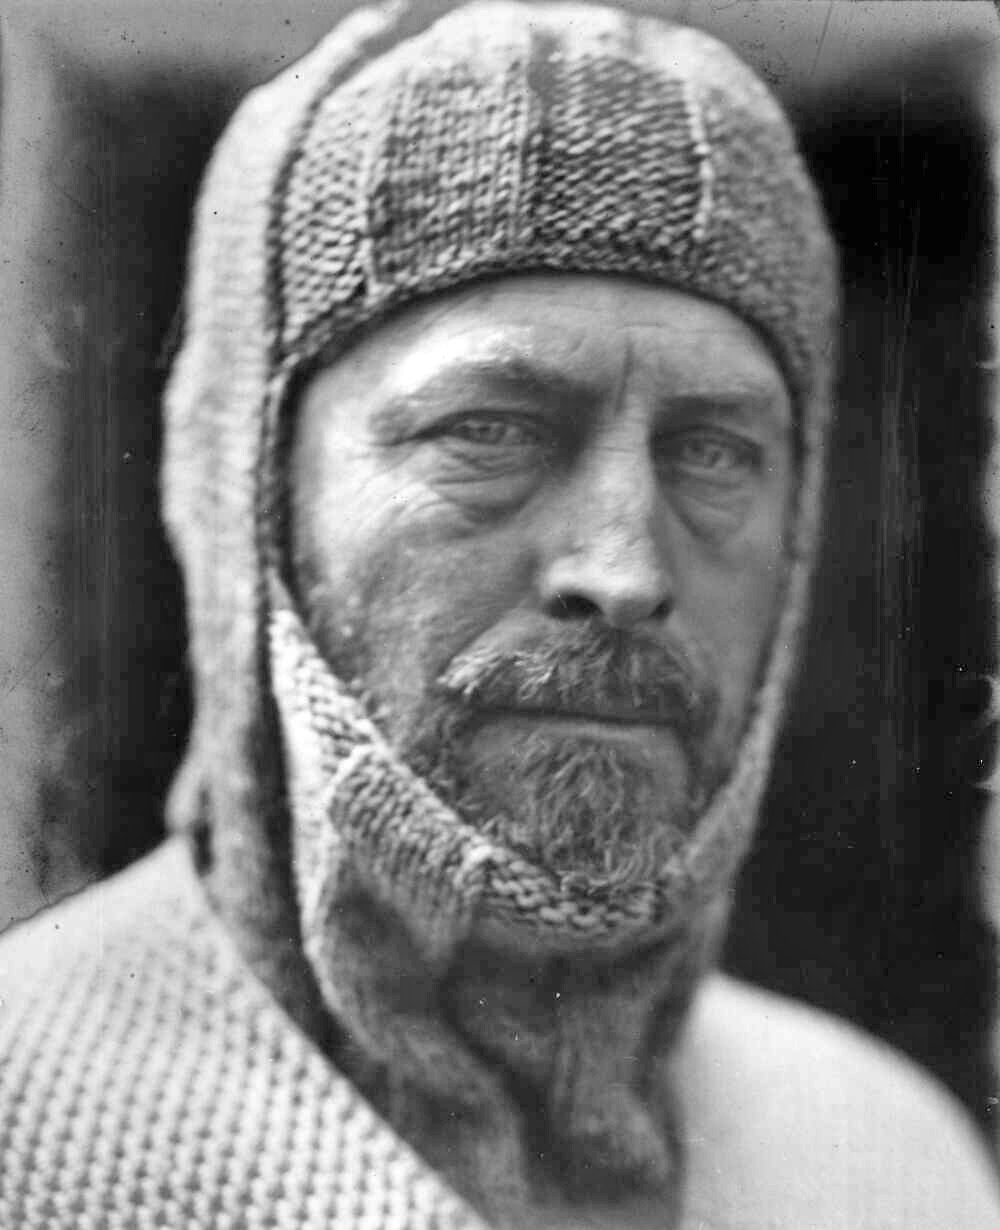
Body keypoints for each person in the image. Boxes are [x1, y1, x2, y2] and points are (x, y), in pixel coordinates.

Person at [1, 2, 998, 1227]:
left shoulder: (888, 1164)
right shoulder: (27, 1133)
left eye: (713, 452)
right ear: (249, 501)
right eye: (489, 430)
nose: (623, 571)